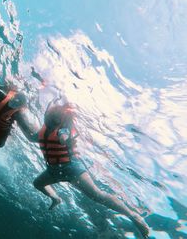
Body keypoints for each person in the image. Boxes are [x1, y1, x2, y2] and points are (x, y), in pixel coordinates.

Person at [26, 102, 149, 238]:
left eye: (53, 121)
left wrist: (66, 141)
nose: (50, 123)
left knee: (97, 195)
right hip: (53, 171)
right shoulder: (44, 129)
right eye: (49, 120)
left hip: (71, 168)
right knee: (37, 183)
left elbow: (63, 137)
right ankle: (56, 198)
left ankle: (133, 215)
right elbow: (32, 138)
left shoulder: (63, 128)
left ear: (58, 120)